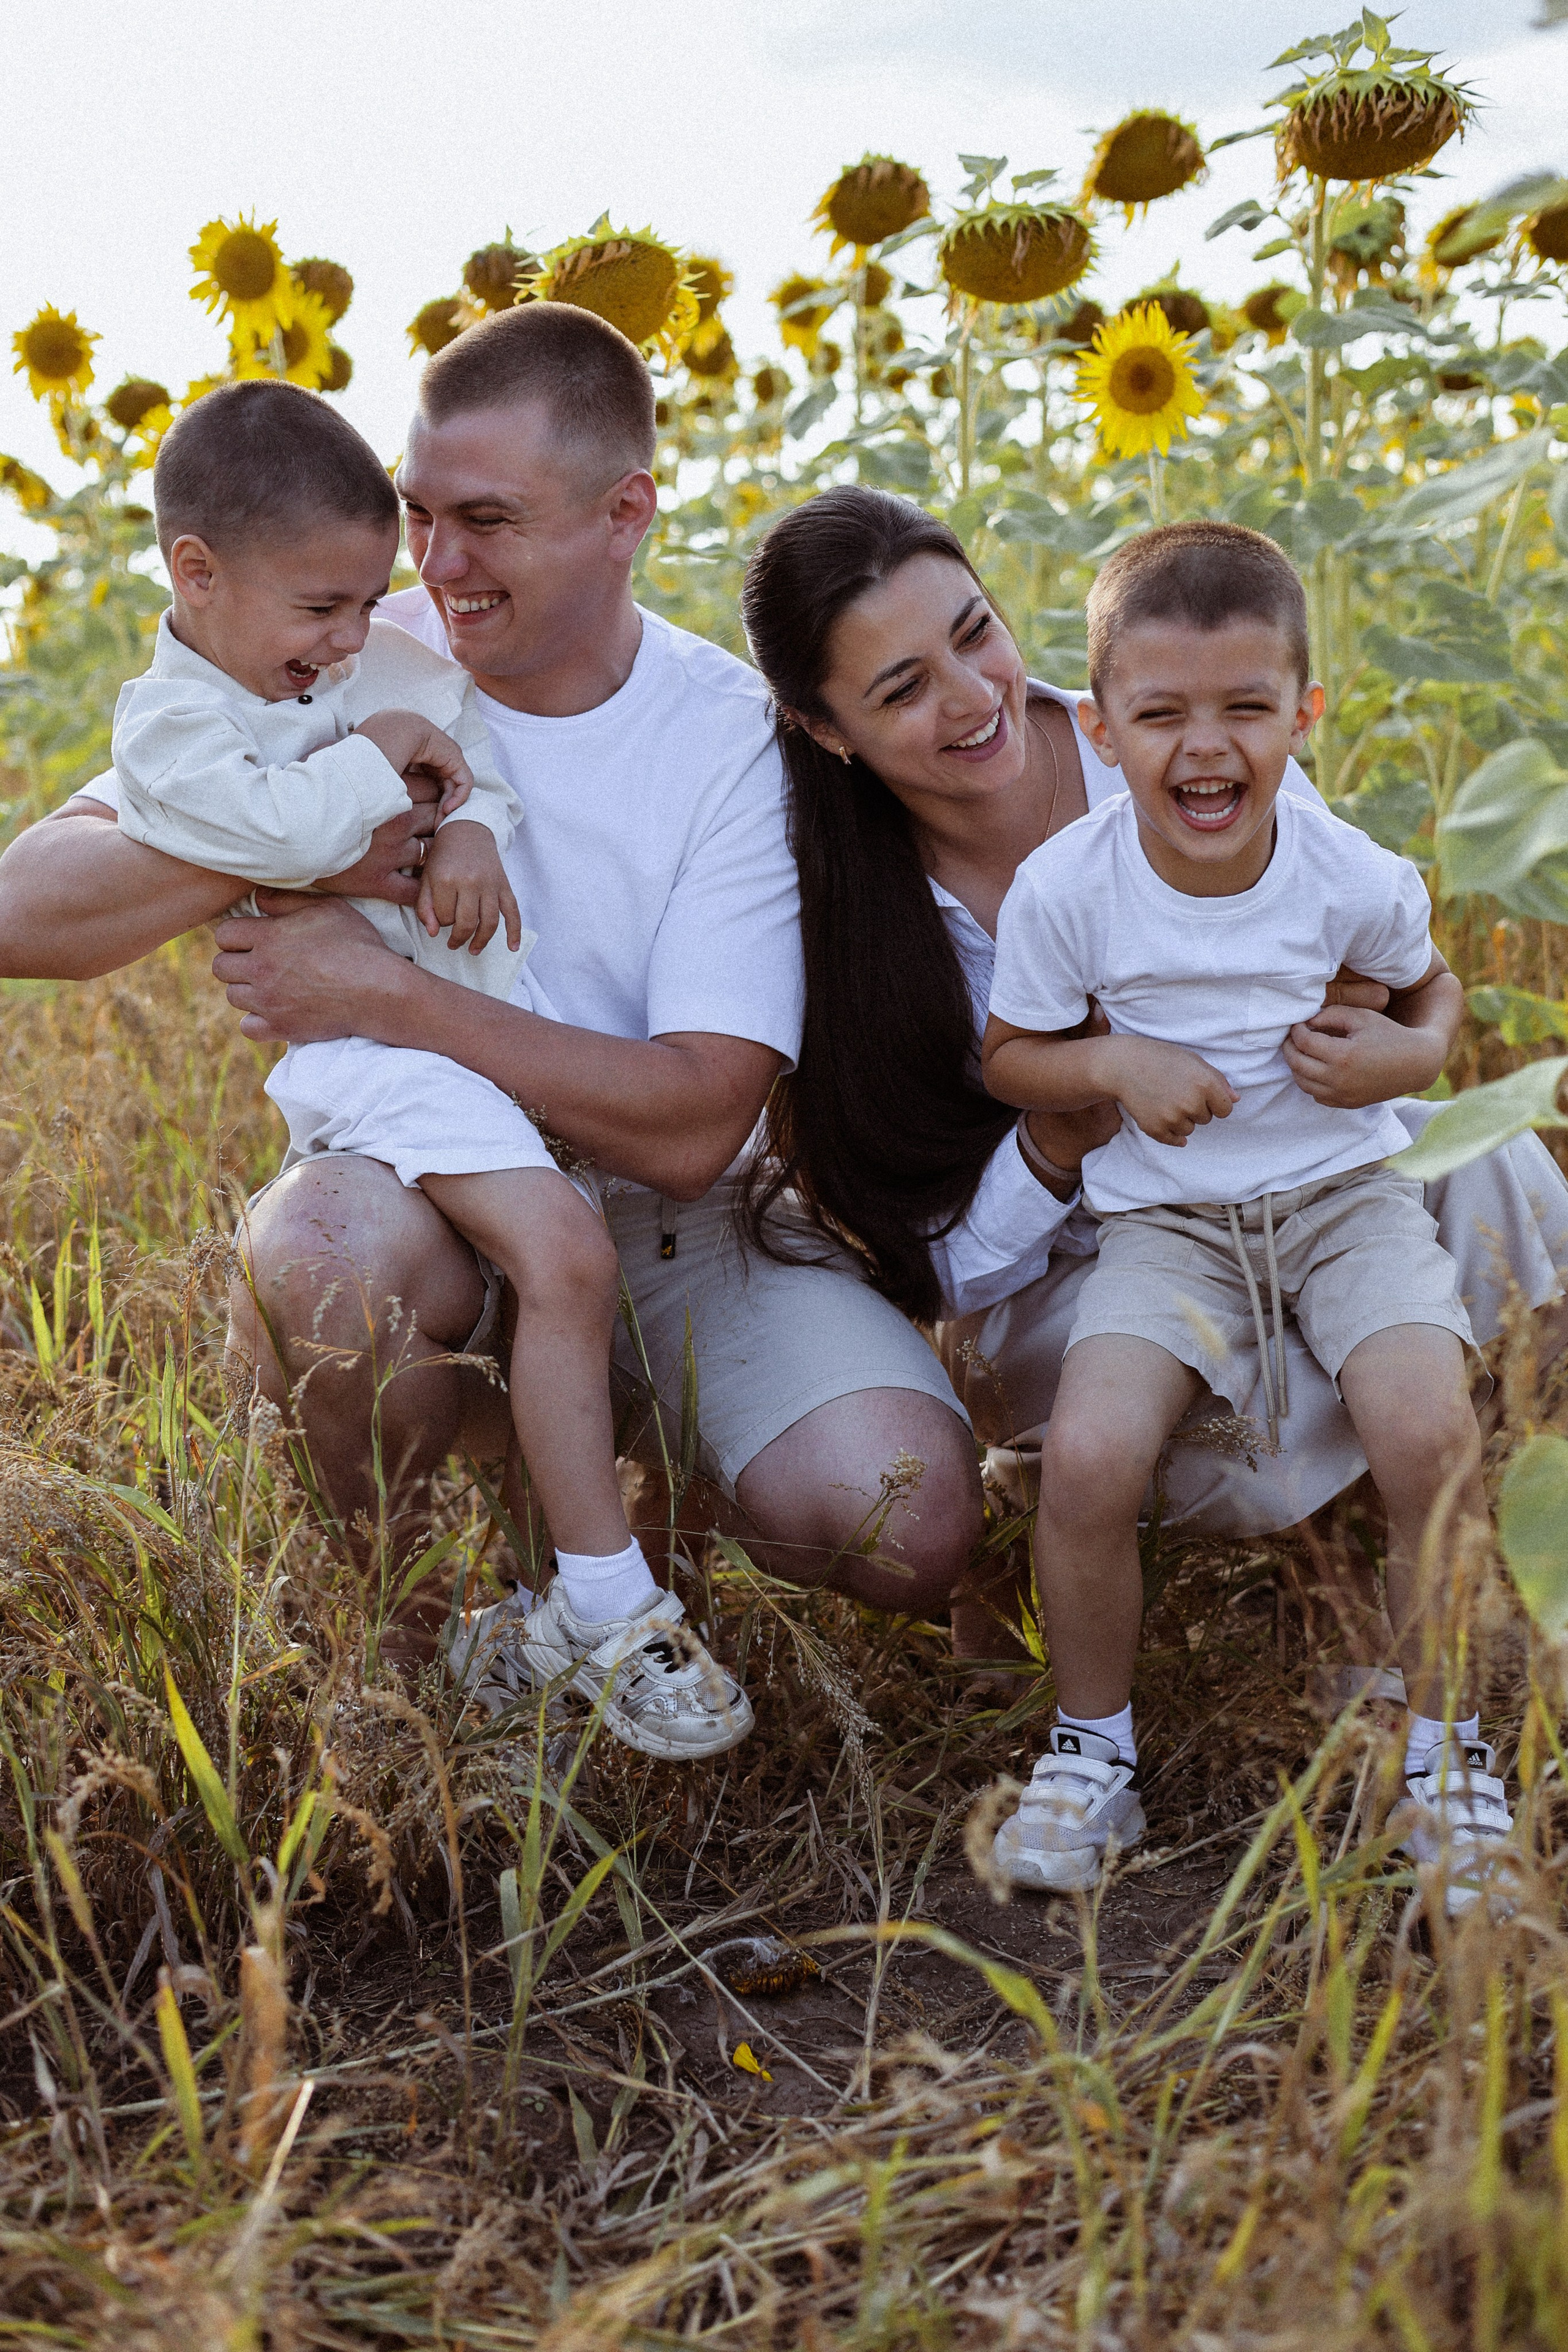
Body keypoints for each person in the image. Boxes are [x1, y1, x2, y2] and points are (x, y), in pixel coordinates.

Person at [0, 309, 982, 1703]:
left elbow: (700, 1122)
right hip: (427, 1194)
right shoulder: (340, 654)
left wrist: (383, 991)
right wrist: (296, 836)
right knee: (323, 1258)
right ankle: (417, 1668)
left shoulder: (728, 739)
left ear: (623, 512)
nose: (436, 565)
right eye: (418, 516)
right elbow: (25, 909)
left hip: (680, 1223)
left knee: (905, 1517)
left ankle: (648, 1522)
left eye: (488, 521)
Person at [738, 484, 1564, 1839]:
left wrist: (1396, 1051)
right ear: (828, 733)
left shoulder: (1189, 718)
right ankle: (1151, 1670)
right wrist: (1076, 1115)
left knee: (1499, 1179)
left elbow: (1400, 970)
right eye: (900, 689)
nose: (969, 699)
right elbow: (939, 1261)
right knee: (1173, 1441)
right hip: (1103, 1237)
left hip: (1314, 1177)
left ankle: (1453, 1660)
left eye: (974, 633)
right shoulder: (851, 924)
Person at [104, 374, 749, 1763]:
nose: (355, 640)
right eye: (324, 611)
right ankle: (595, 1603)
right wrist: (388, 760)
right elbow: (262, 828)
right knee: (565, 1250)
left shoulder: (361, 661)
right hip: (365, 1063)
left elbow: (463, 764)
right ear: (197, 576)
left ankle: (564, 1601)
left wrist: (462, 828)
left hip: (450, 1044)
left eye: (362, 604)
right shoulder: (171, 723)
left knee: (562, 1265)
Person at [979, 521, 1509, 1910]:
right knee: (1090, 1455)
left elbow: (1431, 998)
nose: (1201, 749)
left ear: (1302, 713)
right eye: (1158, 714)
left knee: (1427, 1429)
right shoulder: (1066, 890)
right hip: (1166, 1226)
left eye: (1243, 710)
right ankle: (1091, 1752)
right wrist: (1108, 1065)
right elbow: (1011, 1057)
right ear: (1097, 730)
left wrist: (1401, 1060)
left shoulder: (1343, 873)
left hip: (1343, 1194)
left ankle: (1443, 1752)